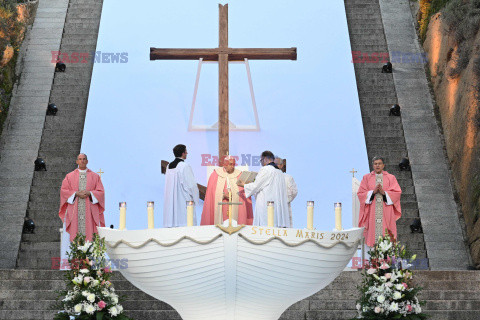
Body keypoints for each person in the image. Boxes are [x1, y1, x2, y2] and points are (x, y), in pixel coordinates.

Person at [58, 153, 105, 241]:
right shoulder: (69, 176)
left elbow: (101, 192)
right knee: (75, 235)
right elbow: (64, 191)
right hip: (75, 210)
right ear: (77, 161)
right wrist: (76, 193)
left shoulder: (95, 176)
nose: (82, 161)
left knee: (90, 236)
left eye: (84, 159)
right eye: (80, 159)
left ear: (87, 161)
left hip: (89, 211)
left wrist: (90, 193)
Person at [357, 156, 402, 247]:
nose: (377, 165)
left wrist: (384, 193)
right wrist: (372, 193)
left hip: (386, 210)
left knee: (387, 235)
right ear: (373, 165)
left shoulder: (390, 177)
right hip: (372, 212)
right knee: (373, 235)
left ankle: (387, 257)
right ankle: (373, 255)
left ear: (383, 165)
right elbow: (360, 193)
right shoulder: (366, 178)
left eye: (379, 163)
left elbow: (397, 193)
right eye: (375, 164)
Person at [238, 151, 290, 227]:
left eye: (261, 160)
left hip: (266, 206)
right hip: (277, 209)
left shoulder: (266, 170)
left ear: (265, 159)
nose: (261, 163)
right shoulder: (280, 172)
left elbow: (256, 186)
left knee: (265, 228)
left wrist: (243, 185)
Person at [201, 156, 253, 225]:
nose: (232, 166)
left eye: (234, 164)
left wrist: (233, 194)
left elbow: (243, 193)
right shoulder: (215, 174)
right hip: (221, 206)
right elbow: (211, 193)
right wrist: (223, 195)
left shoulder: (239, 174)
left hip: (236, 206)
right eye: (230, 164)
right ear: (225, 164)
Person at [163, 144, 199, 227]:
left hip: (171, 204)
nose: (187, 153)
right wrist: (195, 199)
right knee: (186, 223)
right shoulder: (184, 166)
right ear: (183, 153)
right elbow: (191, 185)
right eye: (186, 151)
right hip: (183, 202)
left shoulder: (169, 166)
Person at [275, 156, 298, 227]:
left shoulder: (288, 178)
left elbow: (294, 192)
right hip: (271, 208)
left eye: (277, 164)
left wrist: (283, 200)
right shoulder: (268, 177)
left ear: (281, 165)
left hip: (284, 208)